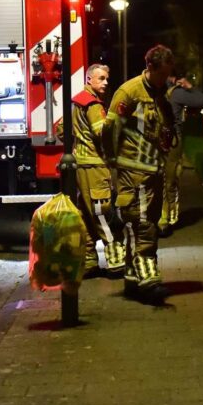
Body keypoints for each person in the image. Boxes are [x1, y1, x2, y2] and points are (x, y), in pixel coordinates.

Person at [103, 45, 177, 304]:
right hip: (133, 170)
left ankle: (133, 279)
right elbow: (110, 127)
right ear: (150, 67)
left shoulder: (159, 93)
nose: (165, 79)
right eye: (162, 74)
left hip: (152, 169)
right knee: (142, 222)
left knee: (147, 219)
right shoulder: (129, 92)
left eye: (168, 74)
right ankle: (148, 279)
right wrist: (112, 161)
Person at [72, 64, 125, 277]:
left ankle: (89, 260)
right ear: (89, 80)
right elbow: (102, 133)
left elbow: (61, 129)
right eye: (101, 78)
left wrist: (78, 144)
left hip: (80, 166)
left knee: (85, 214)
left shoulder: (77, 102)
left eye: (106, 78)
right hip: (95, 166)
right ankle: (117, 260)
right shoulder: (93, 104)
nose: (105, 82)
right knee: (103, 211)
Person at [159, 75, 203, 235]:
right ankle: (168, 218)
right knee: (170, 178)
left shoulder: (149, 91)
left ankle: (161, 218)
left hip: (153, 140)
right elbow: (202, 101)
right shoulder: (177, 93)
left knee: (158, 179)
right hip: (172, 141)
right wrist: (189, 87)